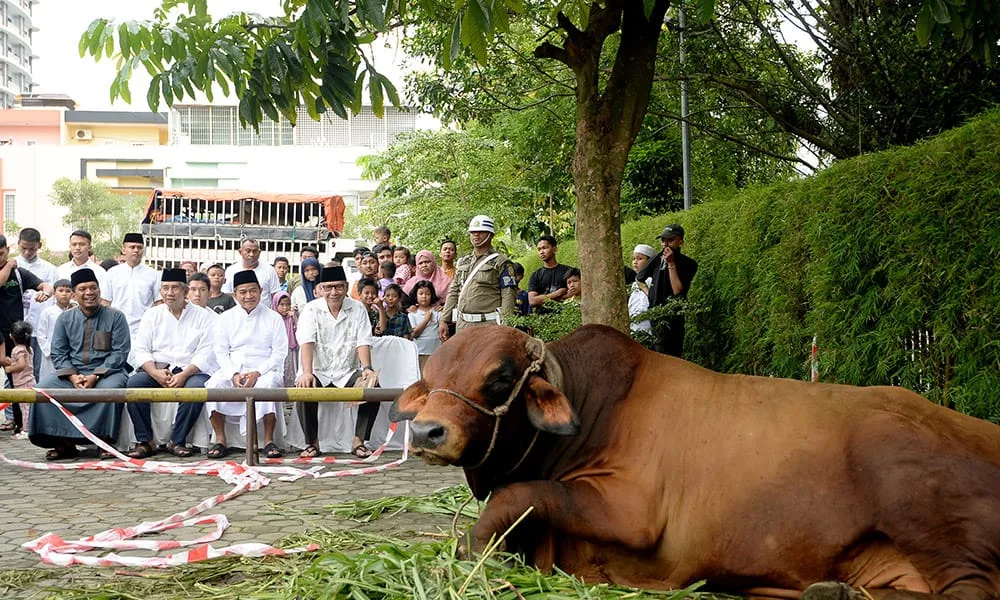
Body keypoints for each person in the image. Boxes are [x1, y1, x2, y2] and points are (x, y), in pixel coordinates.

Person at [30, 268, 131, 461]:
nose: (89, 293)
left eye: (93, 288)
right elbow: (58, 352)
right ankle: (63, 443)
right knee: (42, 390)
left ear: (99, 291)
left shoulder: (116, 317)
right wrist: (73, 376)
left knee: (110, 391)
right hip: (71, 374)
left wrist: (95, 375)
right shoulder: (65, 318)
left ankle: (104, 442)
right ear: (74, 295)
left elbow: (120, 352)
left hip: (108, 372)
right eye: (83, 289)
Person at [125, 268, 217, 459]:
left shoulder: (203, 316)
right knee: (133, 385)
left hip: (191, 371)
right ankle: (145, 441)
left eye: (175, 288)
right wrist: (154, 372)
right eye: (165, 288)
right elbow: (141, 349)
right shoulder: (152, 315)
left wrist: (184, 375)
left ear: (185, 291)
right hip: (158, 370)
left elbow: (206, 352)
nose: (169, 293)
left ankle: (178, 440)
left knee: (197, 389)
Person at [295, 266, 375, 459]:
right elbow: (307, 342)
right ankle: (312, 443)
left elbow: (363, 341)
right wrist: (306, 372)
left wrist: (367, 369)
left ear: (346, 287)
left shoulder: (357, 308)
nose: (334, 292)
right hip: (318, 369)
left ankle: (359, 441)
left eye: (339, 287)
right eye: (328, 287)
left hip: (347, 370)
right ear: (320, 288)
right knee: (303, 387)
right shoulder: (311, 309)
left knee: (373, 387)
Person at [204, 270, 286, 459]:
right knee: (215, 384)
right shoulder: (225, 318)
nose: (248, 296)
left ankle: (268, 441)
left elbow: (279, 353)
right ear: (235, 295)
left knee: (268, 385)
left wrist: (257, 372)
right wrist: (233, 373)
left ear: (261, 291)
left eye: (252, 291)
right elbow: (221, 351)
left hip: (264, 368)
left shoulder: (274, 318)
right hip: (234, 367)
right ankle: (221, 439)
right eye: (243, 292)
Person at [0, 235, 54, 434]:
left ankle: (20, 423)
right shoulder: (10, 268)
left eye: (2, 254)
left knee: (17, 380)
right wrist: (8, 265)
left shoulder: (20, 274)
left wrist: (46, 293)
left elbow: (46, 286)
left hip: (13, 336)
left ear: (7, 249)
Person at [439, 215, 517, 342]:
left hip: (489, 325)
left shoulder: (501, 262)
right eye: (473, 232)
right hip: (463, 325)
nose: (476, 235)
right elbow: (453, 292)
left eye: (480, 232)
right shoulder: (463, 262)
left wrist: (505, 325)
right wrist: (444, 319)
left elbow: (508, 294)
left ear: (490, 234)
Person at [635, 224, 699, 357]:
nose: (665, 244)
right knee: (658, 352)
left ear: (680, 242)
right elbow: (640, 278)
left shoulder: (688, 264)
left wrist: (671, 263)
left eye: (669, 240)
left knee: (672, 353)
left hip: (673, 314)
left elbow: (677, 290)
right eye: (663, 240)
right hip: (656, 313)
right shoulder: (658, 259)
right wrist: (651, 295)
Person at [102, 233, 160, 363]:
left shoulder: (153, 274)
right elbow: (105, 303)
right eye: (132, 247)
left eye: (139, 247)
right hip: (116, 328)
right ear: (123, 249)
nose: (136, 250)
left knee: (140, 364)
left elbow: (158, 304)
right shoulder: (112, 273)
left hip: (144, 329)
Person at [221, 238, 281, 306]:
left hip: (263, 314)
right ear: (240, 252)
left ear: (259, 252)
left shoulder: (270, 270)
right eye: (248, 251)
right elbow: (226, 293)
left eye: (255, 251)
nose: (251, 254)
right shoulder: (231, 270)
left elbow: (276, 295)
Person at [36, 279, 75, 381]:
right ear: (54, 293)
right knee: (50, 379)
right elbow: (41, 335)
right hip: (51, 353)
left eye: (67, 291)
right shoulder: (47, 312)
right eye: (61, 290)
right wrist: (50, 351)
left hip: (70, 351)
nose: (64, 294)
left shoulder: (75, 311)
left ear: (73, 294)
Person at [4, 321, 35, 440]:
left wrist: (10, 368)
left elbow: (21, 365)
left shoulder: (17, 349)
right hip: (29, 380)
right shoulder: (28, 348)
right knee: (28, 407)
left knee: (25, 408)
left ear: (11, 335)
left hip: (23, 383)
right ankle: (28, 428)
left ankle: (26, 431)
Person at [527, 235, 573, 311]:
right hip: (543, 319)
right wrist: (557, 293)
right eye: (539, 249)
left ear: (554, 249)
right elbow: (532, 301)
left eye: (545, 248)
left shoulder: (568, 271)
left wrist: (541, 298)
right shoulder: (535, 275)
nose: (541, 252)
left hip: (565, 317)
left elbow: (574, 293)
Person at [407, 280, 441, 369]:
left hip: (435, 351)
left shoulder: (437, 312)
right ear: (416, 295)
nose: (424, 296)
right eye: (421, 294)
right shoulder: (413, 313)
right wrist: (426, 320)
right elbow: (414, 334)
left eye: (428, 294)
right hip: (420, 351)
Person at [271, 291, 298, 386]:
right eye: (282, 304)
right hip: (277, 350)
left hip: (291, 350)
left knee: (292, 371)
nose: (285, 308)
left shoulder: (291, 317)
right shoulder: (273, 319)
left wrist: (294, 317)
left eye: (288, 304)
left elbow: (298, 330)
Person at [629, 244, 656, 335]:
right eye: (634, 258)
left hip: (647, 328)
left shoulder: (652, 281)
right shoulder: (635, 284)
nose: (635, 262)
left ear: (650, 262)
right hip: (634, 327)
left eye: (639, 259)